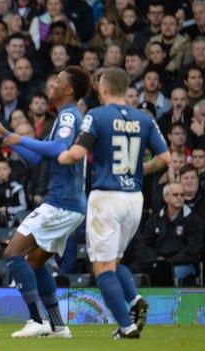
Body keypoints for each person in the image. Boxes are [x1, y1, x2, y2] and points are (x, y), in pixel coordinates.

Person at [58, 67, 170, 339]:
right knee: (114, 260)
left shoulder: (96, 115)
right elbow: (166, 158)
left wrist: (61, 157)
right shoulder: (144, 118)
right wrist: (140, 170)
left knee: (102, 267)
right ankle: (133, 301)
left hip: (106, 196)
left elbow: (77, 153)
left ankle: (126, 325)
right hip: (134, 198)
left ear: (104, 88)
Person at [0, 65, 91, 338]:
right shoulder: (64, 117)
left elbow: (57, 150)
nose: (52, 85)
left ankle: (35, 320)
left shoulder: (68, 116)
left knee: (12, 254)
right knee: (35, 262)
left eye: (58, 82)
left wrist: (20, 137)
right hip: (71, 205)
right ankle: (58, 325)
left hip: (61, 202)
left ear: (68, 90)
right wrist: (6, 136)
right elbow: (37, 157)